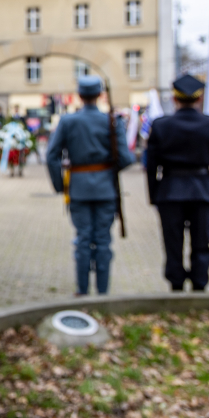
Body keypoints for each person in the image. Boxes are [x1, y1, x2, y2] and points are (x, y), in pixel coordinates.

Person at [46, 76, 134, 295]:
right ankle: (103, 292)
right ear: (100, 95)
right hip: (106, 189)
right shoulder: (112, 121)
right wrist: (106, 171)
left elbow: (51, 156)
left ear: (79, 96)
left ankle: (83, 290)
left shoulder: (68, 121)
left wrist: (61, 185)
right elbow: (126, 158)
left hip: (79, 189)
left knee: (83, 239)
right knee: (103, 240)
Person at [145, 74, 209, 291]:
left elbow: (152, 165)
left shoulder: (161, 125)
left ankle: (176, 286)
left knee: (173, 244)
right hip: (205, 190)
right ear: (199, 98)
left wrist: (154, 194)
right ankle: (199, 286)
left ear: (175, 98)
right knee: (202, 244)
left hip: (170, 190)